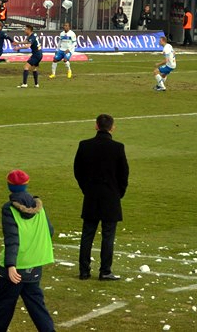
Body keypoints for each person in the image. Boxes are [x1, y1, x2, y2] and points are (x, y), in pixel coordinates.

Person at [0, 169, 55, 332]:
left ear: (10, 186)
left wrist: (10, 265)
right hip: (35, 264)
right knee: (38, 308)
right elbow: (49, 231)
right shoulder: (39, 206)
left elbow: (12, 239)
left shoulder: (9, 208)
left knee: (3, 309)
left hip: (15, 267)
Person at [73, 114, 129, 281]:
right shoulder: (118, 147)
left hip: (91, 195)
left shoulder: (85, 145)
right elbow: (124, 174)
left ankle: (84, 271)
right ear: (112, 127)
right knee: (108, 235)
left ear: (96, 126)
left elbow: (78, 171)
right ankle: (105, 271)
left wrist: (86, 189)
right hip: (111, 196)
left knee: (87, 233)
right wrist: (119, 193)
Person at [14, 25, 42, 89]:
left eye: (26, 29)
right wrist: (18, 43)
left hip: (36, 54)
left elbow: (28, 46)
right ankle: (36, 84)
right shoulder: (33, 35)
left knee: (26, 67)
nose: (24, 31)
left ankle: (24, 84)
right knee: (33, 68)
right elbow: (26, 41)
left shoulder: (31, 37)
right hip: (39, 53)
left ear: (29, 30)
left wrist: (19, 47)